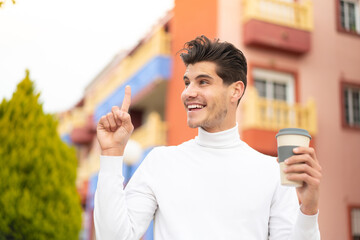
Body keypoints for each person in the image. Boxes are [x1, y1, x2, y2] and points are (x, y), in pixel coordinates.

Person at [94, 35, 322, 240]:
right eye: (187, 82)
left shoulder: (271, 173)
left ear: (236, 91)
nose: (188, 92)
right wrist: (112, 154)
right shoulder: (160, 162)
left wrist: (309, 209)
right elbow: (114, 237)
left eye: (203, 82)